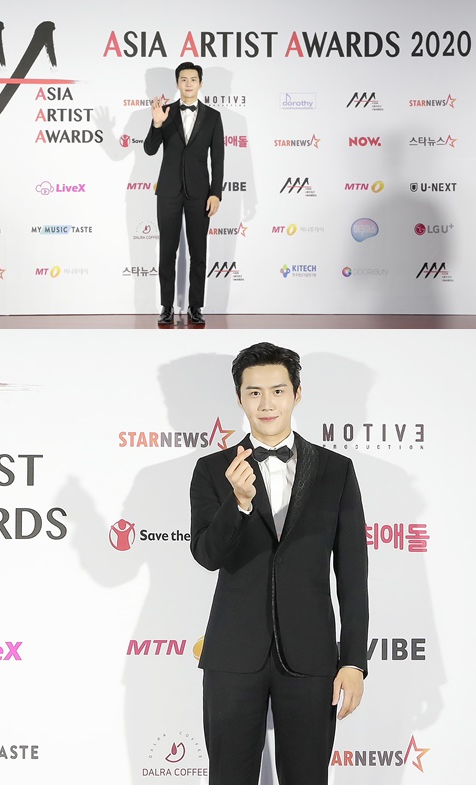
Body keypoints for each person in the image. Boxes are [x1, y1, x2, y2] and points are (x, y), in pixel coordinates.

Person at [190, 342, 369, 785]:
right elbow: (207, 555)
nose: (266, 404)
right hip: (232, 656)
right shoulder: (212, 470)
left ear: (297, 394)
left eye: (277, 391)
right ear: (239, 398)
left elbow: (353, 574)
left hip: (312, 657)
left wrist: (353, 662)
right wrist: (239, 503)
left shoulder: (336, 470)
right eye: (254, 392)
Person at [144, 62, 224, 327]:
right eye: (183, 79)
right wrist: (157, 124)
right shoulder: (164, 112)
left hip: (200, 193)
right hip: (168, 191)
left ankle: (195, 307)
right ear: (177, 83)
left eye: (193, 79)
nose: (188, 84)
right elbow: (149, 150)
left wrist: (216, 193)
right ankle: (166, 307)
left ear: (200, 83)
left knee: (198, 252)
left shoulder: (213, 117)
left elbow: (218, 159)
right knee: (167, 251)